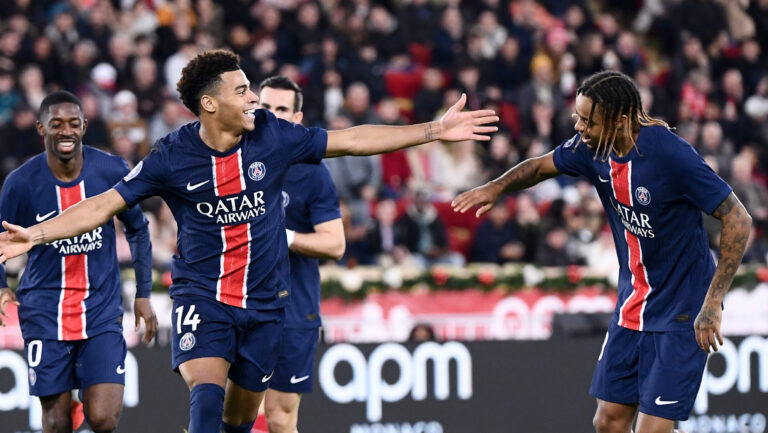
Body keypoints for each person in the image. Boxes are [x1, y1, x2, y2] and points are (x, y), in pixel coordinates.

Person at [0, 50, 498, 433]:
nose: (253, 98)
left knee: (238, 421)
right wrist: (36, 234)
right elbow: (102, 205)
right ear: (210, 104)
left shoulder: (274, 137)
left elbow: (352, 139)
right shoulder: (170, 156)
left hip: (265, 302)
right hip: (203, 297)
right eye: (242, 91)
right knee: (207, 400)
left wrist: (434, 130)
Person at [452, 70, 751, 433]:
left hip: (683, 311)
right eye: (578, 117)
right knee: (608, 421)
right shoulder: (592, 150)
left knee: (652, 430)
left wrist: (712, 303)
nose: (578, 127)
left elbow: (738, 218)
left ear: (620, 119)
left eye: (587, 120)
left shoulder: (671, 155)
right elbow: (539, 166)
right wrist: (496, 187)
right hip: (632, 305)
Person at [0, 91, 157, 433]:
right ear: (41, 128)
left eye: (73, 123)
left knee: (103, 418)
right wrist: (1, 288)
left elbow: (139, 232)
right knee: (56, 423)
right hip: (44, 311)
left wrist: (144, 292)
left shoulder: (112, 169)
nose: (65, 131)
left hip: (100, 310)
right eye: (56, 124)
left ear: (85, 126)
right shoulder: (20, 184)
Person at [237, 75, 344, 433]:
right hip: (236, 304)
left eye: (282, 109)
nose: (271, 114)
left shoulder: (313, 171)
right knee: (229, 415)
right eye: (264, 106)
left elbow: (335, 244)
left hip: (293, 309)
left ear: (297, 119)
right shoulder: (229, 157)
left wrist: (287, 237)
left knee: (280, 420)